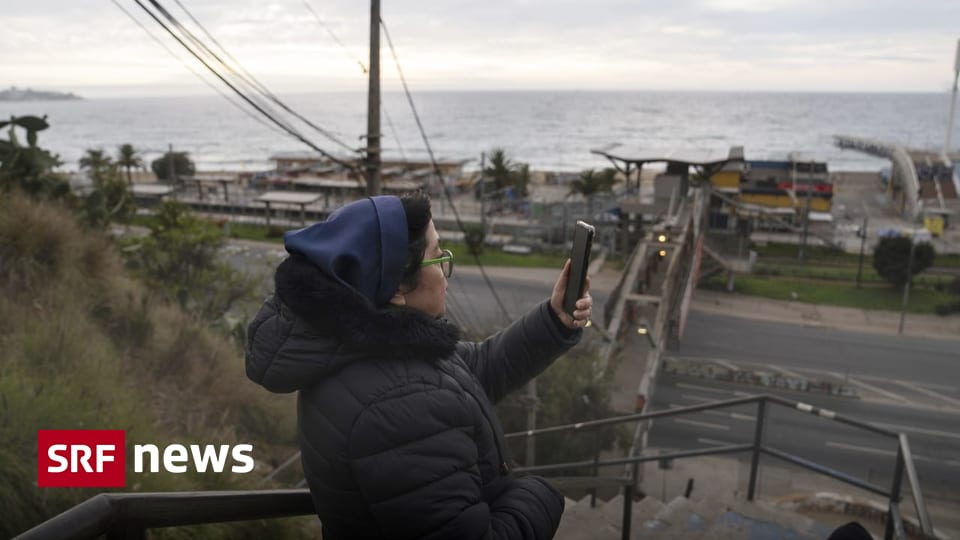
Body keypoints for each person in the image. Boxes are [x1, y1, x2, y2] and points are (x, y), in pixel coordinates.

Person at [245, 192, 593, 539]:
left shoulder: (370, 351)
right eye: (437, 257)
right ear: (397, 286)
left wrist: (555, 319)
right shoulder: (400, 405)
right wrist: (539, 494)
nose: (445, 272)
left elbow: (476, 368)